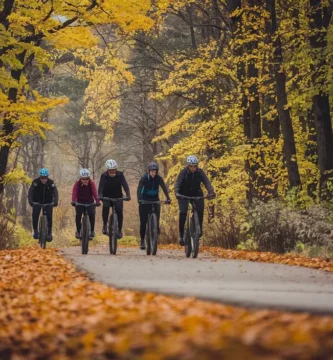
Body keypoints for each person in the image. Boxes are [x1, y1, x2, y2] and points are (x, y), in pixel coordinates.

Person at [174, 155, 216, 246]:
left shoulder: (200, 172)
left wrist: (211, 192)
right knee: (183, 212)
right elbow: (177, 182)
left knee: (200, 211)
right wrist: (177, 192)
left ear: (197, 166)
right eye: (191, 166)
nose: (193, 168)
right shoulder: (183, 172)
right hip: (183, 194)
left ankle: (198, 230)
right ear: (188, 166)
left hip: (196, 193)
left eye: (195, 166)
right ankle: (181, 235)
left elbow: (207, 182)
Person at [137, 161, 171, 250]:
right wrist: (139, 199)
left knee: (157, 216)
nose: (153, 173)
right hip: (144, 200)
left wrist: (168, 198)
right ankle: (142, 240)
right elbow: (139, 189)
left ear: (157, 172)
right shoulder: (144, 178)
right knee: (143, 222)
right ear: (149, 171)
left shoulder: (159, 179)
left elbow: (164, 188)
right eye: (152, 171)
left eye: (155, 171)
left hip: (155, 200)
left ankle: (155, 230)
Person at [98, 159, 131, 238]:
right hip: (107, 196)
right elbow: (101, 187)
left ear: (116, 169)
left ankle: (119, 230)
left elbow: (125, 185)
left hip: (118, 197)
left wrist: (128, 195)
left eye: (114, 170)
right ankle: (105, 224)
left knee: (119, 212)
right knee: (105, 208)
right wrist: (100, 195)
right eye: (111, 171)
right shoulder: (104, 176)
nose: (112, 172)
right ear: (108, 170)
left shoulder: (120, 175)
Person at [28, 168, 58, 241]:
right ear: (40, 177)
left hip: (48, 202)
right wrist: (31, 202)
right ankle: (35, 231)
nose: (44, 180)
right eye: (42, 178)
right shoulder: (35, 182)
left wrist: (55, 202)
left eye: (45, 178)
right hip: (37, 202)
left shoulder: (51, 183)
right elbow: (30, 192)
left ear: (47, 177)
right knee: (35, 215)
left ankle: (49, 232)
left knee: (49, 217)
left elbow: (55, 192)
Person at [71, 169, 101, 240]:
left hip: (90, 202)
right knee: (78, 215)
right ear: (81, 179)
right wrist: (73, 201)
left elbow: (95, 193)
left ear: (89, 178)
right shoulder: (77, 184)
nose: (85, 181)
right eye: (83, 179)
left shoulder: (91, 183)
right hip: (80, 202)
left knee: (92, 215)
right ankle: (78, 231)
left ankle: (92, 231)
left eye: (87, 179)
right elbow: (74, 192)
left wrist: (97, 201)